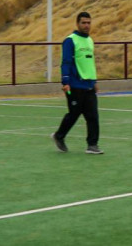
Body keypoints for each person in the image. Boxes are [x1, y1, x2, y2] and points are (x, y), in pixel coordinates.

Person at [51, 12, 103, 155]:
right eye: (83, 23)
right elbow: (66, 62)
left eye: (88, 22)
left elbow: (89, 63)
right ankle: (59, 136)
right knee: (74, 114)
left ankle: (92, 145)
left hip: (89, 86)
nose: (86, 25)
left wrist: (94, 81)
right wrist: (65, 81)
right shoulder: (70, 41)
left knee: (93, 116)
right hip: (74, 85)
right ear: (77, 24)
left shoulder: (90, 40)